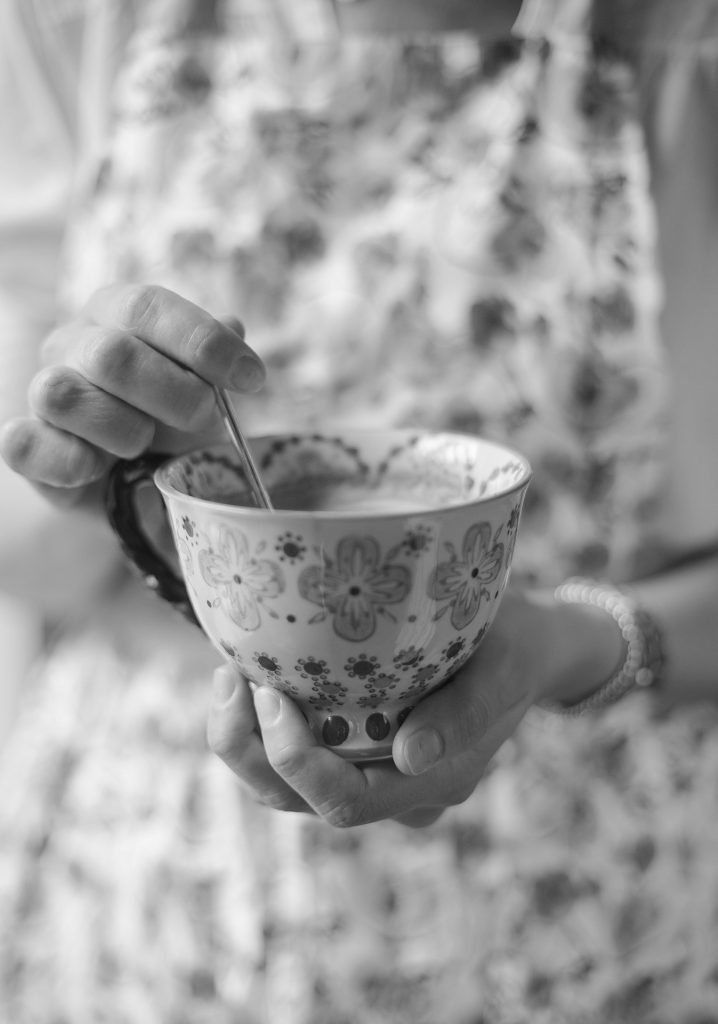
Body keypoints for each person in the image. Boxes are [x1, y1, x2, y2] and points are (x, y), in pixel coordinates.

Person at [2, 0, 718, 1020]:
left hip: (594, 918)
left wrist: (578, 641)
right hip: (148, 915)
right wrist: (92, 483)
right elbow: (17, 521)